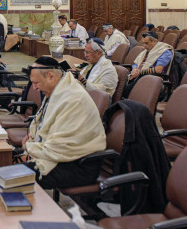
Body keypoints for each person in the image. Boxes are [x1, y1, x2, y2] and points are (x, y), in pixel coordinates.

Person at [21, 57, 106, 189]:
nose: (34, 88)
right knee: (11, 169)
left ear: (51, 76)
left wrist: (29, 148)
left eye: (36, 83)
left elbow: (59, 147)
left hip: (79, 166)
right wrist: (32, 144)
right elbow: (42, 126)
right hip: (64, 158)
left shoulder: (73, 99)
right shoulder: (58, 90)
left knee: (14, 177)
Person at [123, 32, 173, 97]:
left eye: (146, 43)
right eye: (143, 43)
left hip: (152, 79)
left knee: (124, 90)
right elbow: (136, 64)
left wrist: (139, 72)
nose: (144, 46)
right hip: (139, 76)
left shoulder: (164, 52)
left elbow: (158, 69)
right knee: (120, 81)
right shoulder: (146, 51)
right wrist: (135, 69)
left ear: (154, 41)